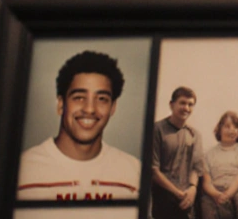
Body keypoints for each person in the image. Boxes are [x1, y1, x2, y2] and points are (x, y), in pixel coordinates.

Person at [17, 50, 142, 201]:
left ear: (113, 107)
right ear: (61, 104)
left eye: (101, 99)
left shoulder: (133, 173)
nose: (90, 109)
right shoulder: (22, 171)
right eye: (79, 97)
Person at [152, 86, 205, 218]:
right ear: (171, 104)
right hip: (162, 198)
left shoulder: (195, 135)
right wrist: (177, 193)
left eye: (190, 104)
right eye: (182, 103)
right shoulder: (157, 129)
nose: (186, 108)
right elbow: (153, 170)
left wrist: (193, 188)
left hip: (187, 200)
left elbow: (196, 167)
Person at [198, 111, 238, 219]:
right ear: (219, 129)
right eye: (227, 126)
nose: (232, 130)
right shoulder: (208, 154)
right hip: (215, 189)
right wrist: (216, 194)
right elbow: (206, 182)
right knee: (206, 201)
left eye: (236, 127)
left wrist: (229, 193)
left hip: (236, 188)